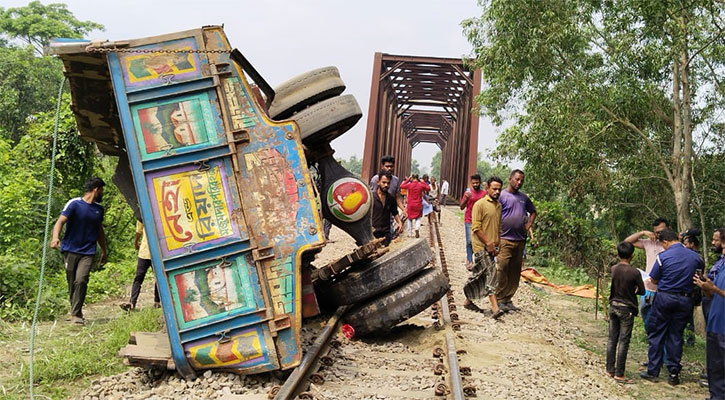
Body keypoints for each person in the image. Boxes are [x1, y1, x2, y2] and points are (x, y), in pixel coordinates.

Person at [640, 229, 704, 385]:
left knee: (657, 333)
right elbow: (699, 278)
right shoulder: (696, 258)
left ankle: (653, 371)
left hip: (665, 298)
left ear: (665, 242)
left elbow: (654, 280)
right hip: (685, 301)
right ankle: (673, 373)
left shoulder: (663, 257)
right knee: (676, 335)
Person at [50, 177, 108, 325]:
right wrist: (55, 237)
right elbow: (60, 221)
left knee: (81, 280)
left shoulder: (99, 209)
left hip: (88, 251)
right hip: (70, 249)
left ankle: (76, 315)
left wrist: (104, 250)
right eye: (101, 190)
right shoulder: (74, 204)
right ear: (96, 189)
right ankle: (76, 311)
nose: (102, 193)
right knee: (72, 282)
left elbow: (99, 231)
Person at [464, 176, 504, 319]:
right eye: (494, 189)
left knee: (480, 274)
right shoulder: (479, 205)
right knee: (491, 273)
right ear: (487, 188)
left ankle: (468, 300)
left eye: (499, 189)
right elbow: (475, 228)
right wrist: (488, 243)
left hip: (492, 247)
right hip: (481, 246)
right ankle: (495, 308)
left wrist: (497, 242)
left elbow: (498, 226)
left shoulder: (498, 205)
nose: (497, 191)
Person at [496, 169, 536, 312]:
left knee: (514, 271)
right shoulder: (501, 196)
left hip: (520, 240)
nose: (519, 183)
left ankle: (508, 299)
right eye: (517, 179)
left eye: (521, 181)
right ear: (510, 179)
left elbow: (533, 211)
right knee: (502, 268)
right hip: (505, 239)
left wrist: (528, 224)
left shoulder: (524, 198)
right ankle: (499, 299)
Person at [606, 241, 645, 383]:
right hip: (627, 308)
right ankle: (619, 373)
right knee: (624, 341)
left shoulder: (614, 268)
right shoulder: (635, 272)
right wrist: (635, 289)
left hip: (613, 305)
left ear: (618, 254)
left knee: (612, 339)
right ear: (632, 255)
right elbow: (642, 290)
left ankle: (610, 369)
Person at [624, 217, 669, 335]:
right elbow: (627, 242)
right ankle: (651, 337)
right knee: (645, 315)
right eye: (656, 232)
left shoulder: (671, 245)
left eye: (661, 231)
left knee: (661, 318)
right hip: (647, 288)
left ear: (668, 229)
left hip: (663, 289)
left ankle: (658, 339)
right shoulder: (649, 243)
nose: (659, 234)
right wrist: (643, 232)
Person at [694, 253, 725, 400]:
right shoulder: (721, 267)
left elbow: (718, 291)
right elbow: (712, 296)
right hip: (715, 324)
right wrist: (705, 287)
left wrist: (715, 289)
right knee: (715, 367)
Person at [120, 221, 160, 311]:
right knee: (158, 277)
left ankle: (132, 303)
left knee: (138, 278)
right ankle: (157, 302)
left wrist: (136, 243)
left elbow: (138, 232)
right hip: (156, 252)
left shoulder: (142, 215)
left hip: (145, 252)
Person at [459, 174, 487, 269]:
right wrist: (466, 198)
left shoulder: (484, 194)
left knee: (479, 241)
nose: (475, 184)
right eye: (473, 183)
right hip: (469, 219)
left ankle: (479, 260)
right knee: (469, 241)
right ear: (471, 183)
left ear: (480, 182)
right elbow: (461, 207)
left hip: (480, 221)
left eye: (477, 183)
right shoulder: (468, 193)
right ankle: (469, 261)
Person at [369, 155, 406, 222]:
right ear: (382, 167)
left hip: (389, 214)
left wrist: (403, 209)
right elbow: (372, 197)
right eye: (387, 166)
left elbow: (397, 197)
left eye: (391, 166)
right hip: (376, 215)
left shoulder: (395, 180)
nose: (389, 168)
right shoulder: (376, 179)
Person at [371, 170, 403, 246]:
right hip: (372, 233)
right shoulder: (371, 197)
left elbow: (395, 212)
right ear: (378, 182)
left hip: (386, 233)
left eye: (388, 183)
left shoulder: (391, 199)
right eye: (384, 182)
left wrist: (399, 222)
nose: (386, 185)